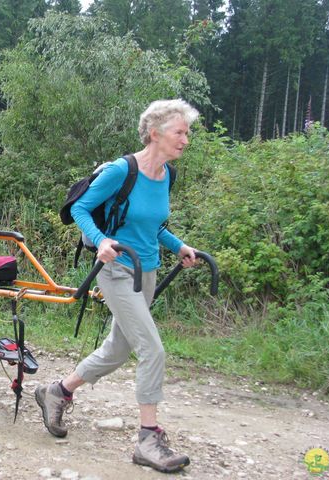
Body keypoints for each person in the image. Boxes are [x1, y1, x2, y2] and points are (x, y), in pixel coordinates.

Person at [35, 99, 200, 474]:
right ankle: (148, 439)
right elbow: (77, 208)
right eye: (180, 132)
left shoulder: (167, 175)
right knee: (152, 349)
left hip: (148, 272)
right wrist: (101, 239)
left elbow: (151, 226)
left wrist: (180, 246)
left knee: (116, 350)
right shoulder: (120, 170)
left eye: (187, 133)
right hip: (116, 269)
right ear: (155, 133)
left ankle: (57, 391)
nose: (185, 140)